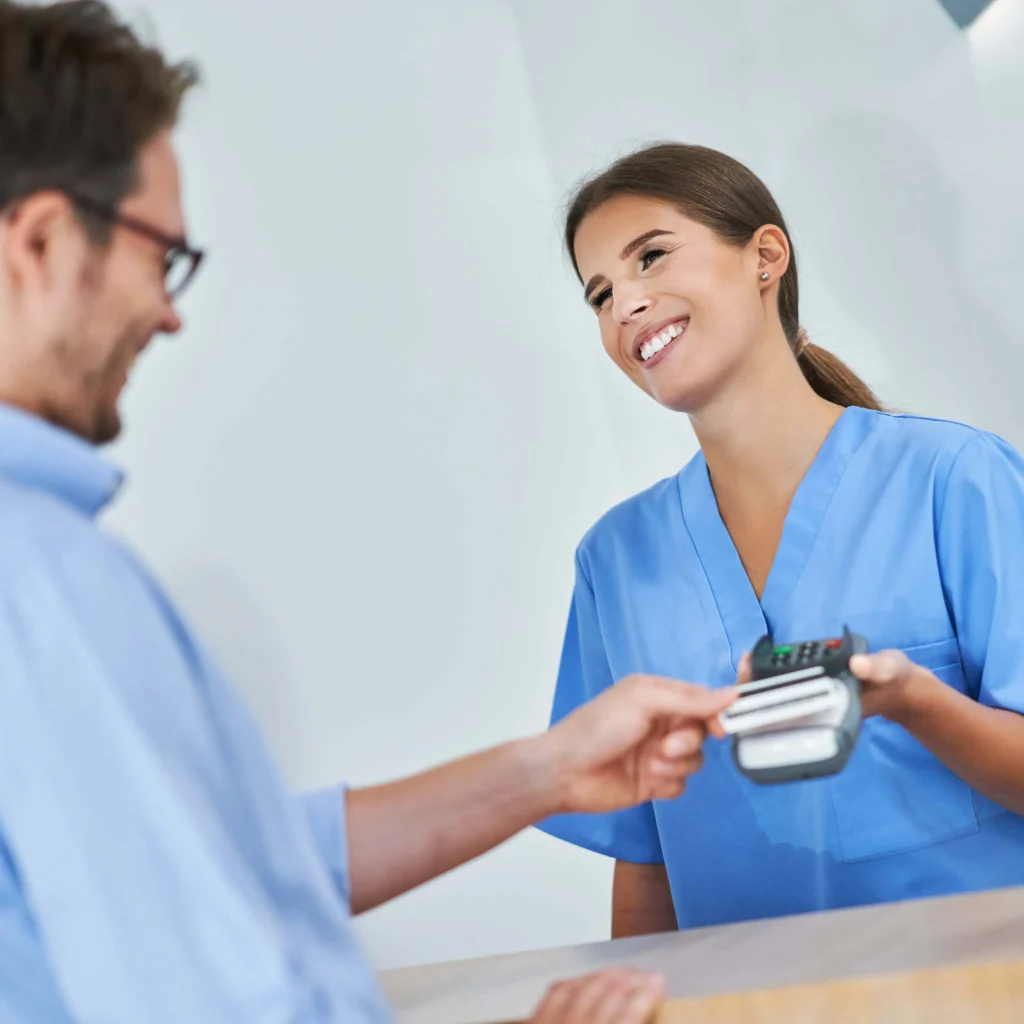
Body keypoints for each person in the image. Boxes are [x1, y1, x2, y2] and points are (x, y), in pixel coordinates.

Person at [0, 3, 738, 1022]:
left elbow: (245, 855)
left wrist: (549, 768)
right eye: (159, 255)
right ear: (39, 241)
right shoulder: (41, 582)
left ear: (768, 256)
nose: (168, 310)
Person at [535, 141, 1024, 939]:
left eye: (651, 258)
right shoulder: (614, 563)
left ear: (765, 257)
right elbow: (646, 856)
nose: (624, 305)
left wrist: (916, 703)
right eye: (599, 294)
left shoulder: (955, 479)